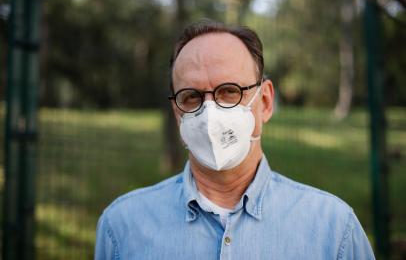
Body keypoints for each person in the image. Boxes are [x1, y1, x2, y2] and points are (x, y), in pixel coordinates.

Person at [95, 20, 375, 260]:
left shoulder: (333, 229)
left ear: (264, 102)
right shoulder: (122, 228)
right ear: (176, 111)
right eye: (191, 96)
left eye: (229, 91)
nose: (209, 112)